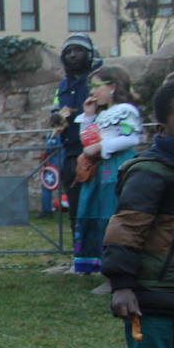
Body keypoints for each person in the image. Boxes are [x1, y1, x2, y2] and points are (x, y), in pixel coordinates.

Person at [101, 78, 174, 348]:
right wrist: (122, 285)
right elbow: (125, 229)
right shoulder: (151, 172)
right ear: (163, 128)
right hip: (147, 296)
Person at [72, 65, 142, 275]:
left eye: (96, 86)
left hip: (115, 167)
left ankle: (116, 268)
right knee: (94, 210)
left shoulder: (126, 111)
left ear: (112, 86)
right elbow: (88, 141)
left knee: (110, 213)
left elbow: (132, 137)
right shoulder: (102, 114)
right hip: (98, 171)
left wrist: (103, 147)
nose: (92, 92)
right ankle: (95, 263)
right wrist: (88, 116)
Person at [52, 34, 98, 230]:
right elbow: (56, 107)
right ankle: (79, 252)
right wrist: (55, 117)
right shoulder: (63, 85)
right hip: (69, 150)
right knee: (75, 205)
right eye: (68, 52)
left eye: (78, 50)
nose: (72, 55)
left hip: (94, 150)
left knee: (95, 206)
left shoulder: (97, 80)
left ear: (89, 54)